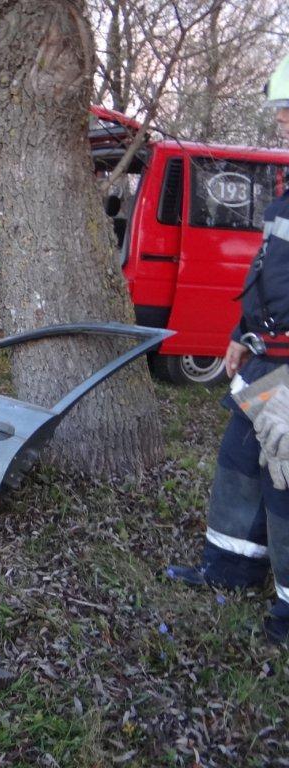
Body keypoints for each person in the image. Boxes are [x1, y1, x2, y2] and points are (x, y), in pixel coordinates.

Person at [166, 56, 289, 645]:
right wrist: (243, 336)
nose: (285, 123)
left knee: (284, 484)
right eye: (283, 113)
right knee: (238, 466)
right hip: (263, 361)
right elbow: (269, 276)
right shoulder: (285, 199)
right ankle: (230, 567)